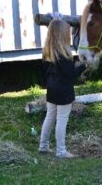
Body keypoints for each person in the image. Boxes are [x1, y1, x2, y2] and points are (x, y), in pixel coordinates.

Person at [38, 18, 87, 158]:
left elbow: (46, 72)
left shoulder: (48, 52)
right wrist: (84, 66)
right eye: (67, 32)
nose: (69, 35)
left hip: (51, 89)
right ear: (62, 35)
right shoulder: (63, 55)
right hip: (64, 90)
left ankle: (43, 146)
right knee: (62, 119)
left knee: (49, 117)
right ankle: (60, 151)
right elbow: (70, 74)